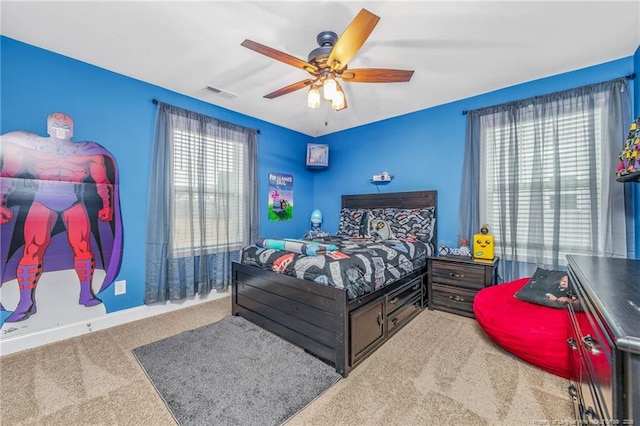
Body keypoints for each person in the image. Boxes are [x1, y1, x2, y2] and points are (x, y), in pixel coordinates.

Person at [0, 113, 121, 322]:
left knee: (82, 247)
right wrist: (2, 201)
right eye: (57, 125)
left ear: (72, 129)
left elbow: (103, 182)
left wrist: (107, 205)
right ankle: (26, 301)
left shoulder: (87, 153)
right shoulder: (30, 148)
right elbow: (8, 174)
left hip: (73, 201)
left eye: (66, 126)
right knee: (33, 249)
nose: (62, 129)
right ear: (48, 126)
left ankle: (86, 293)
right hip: (41, 201)